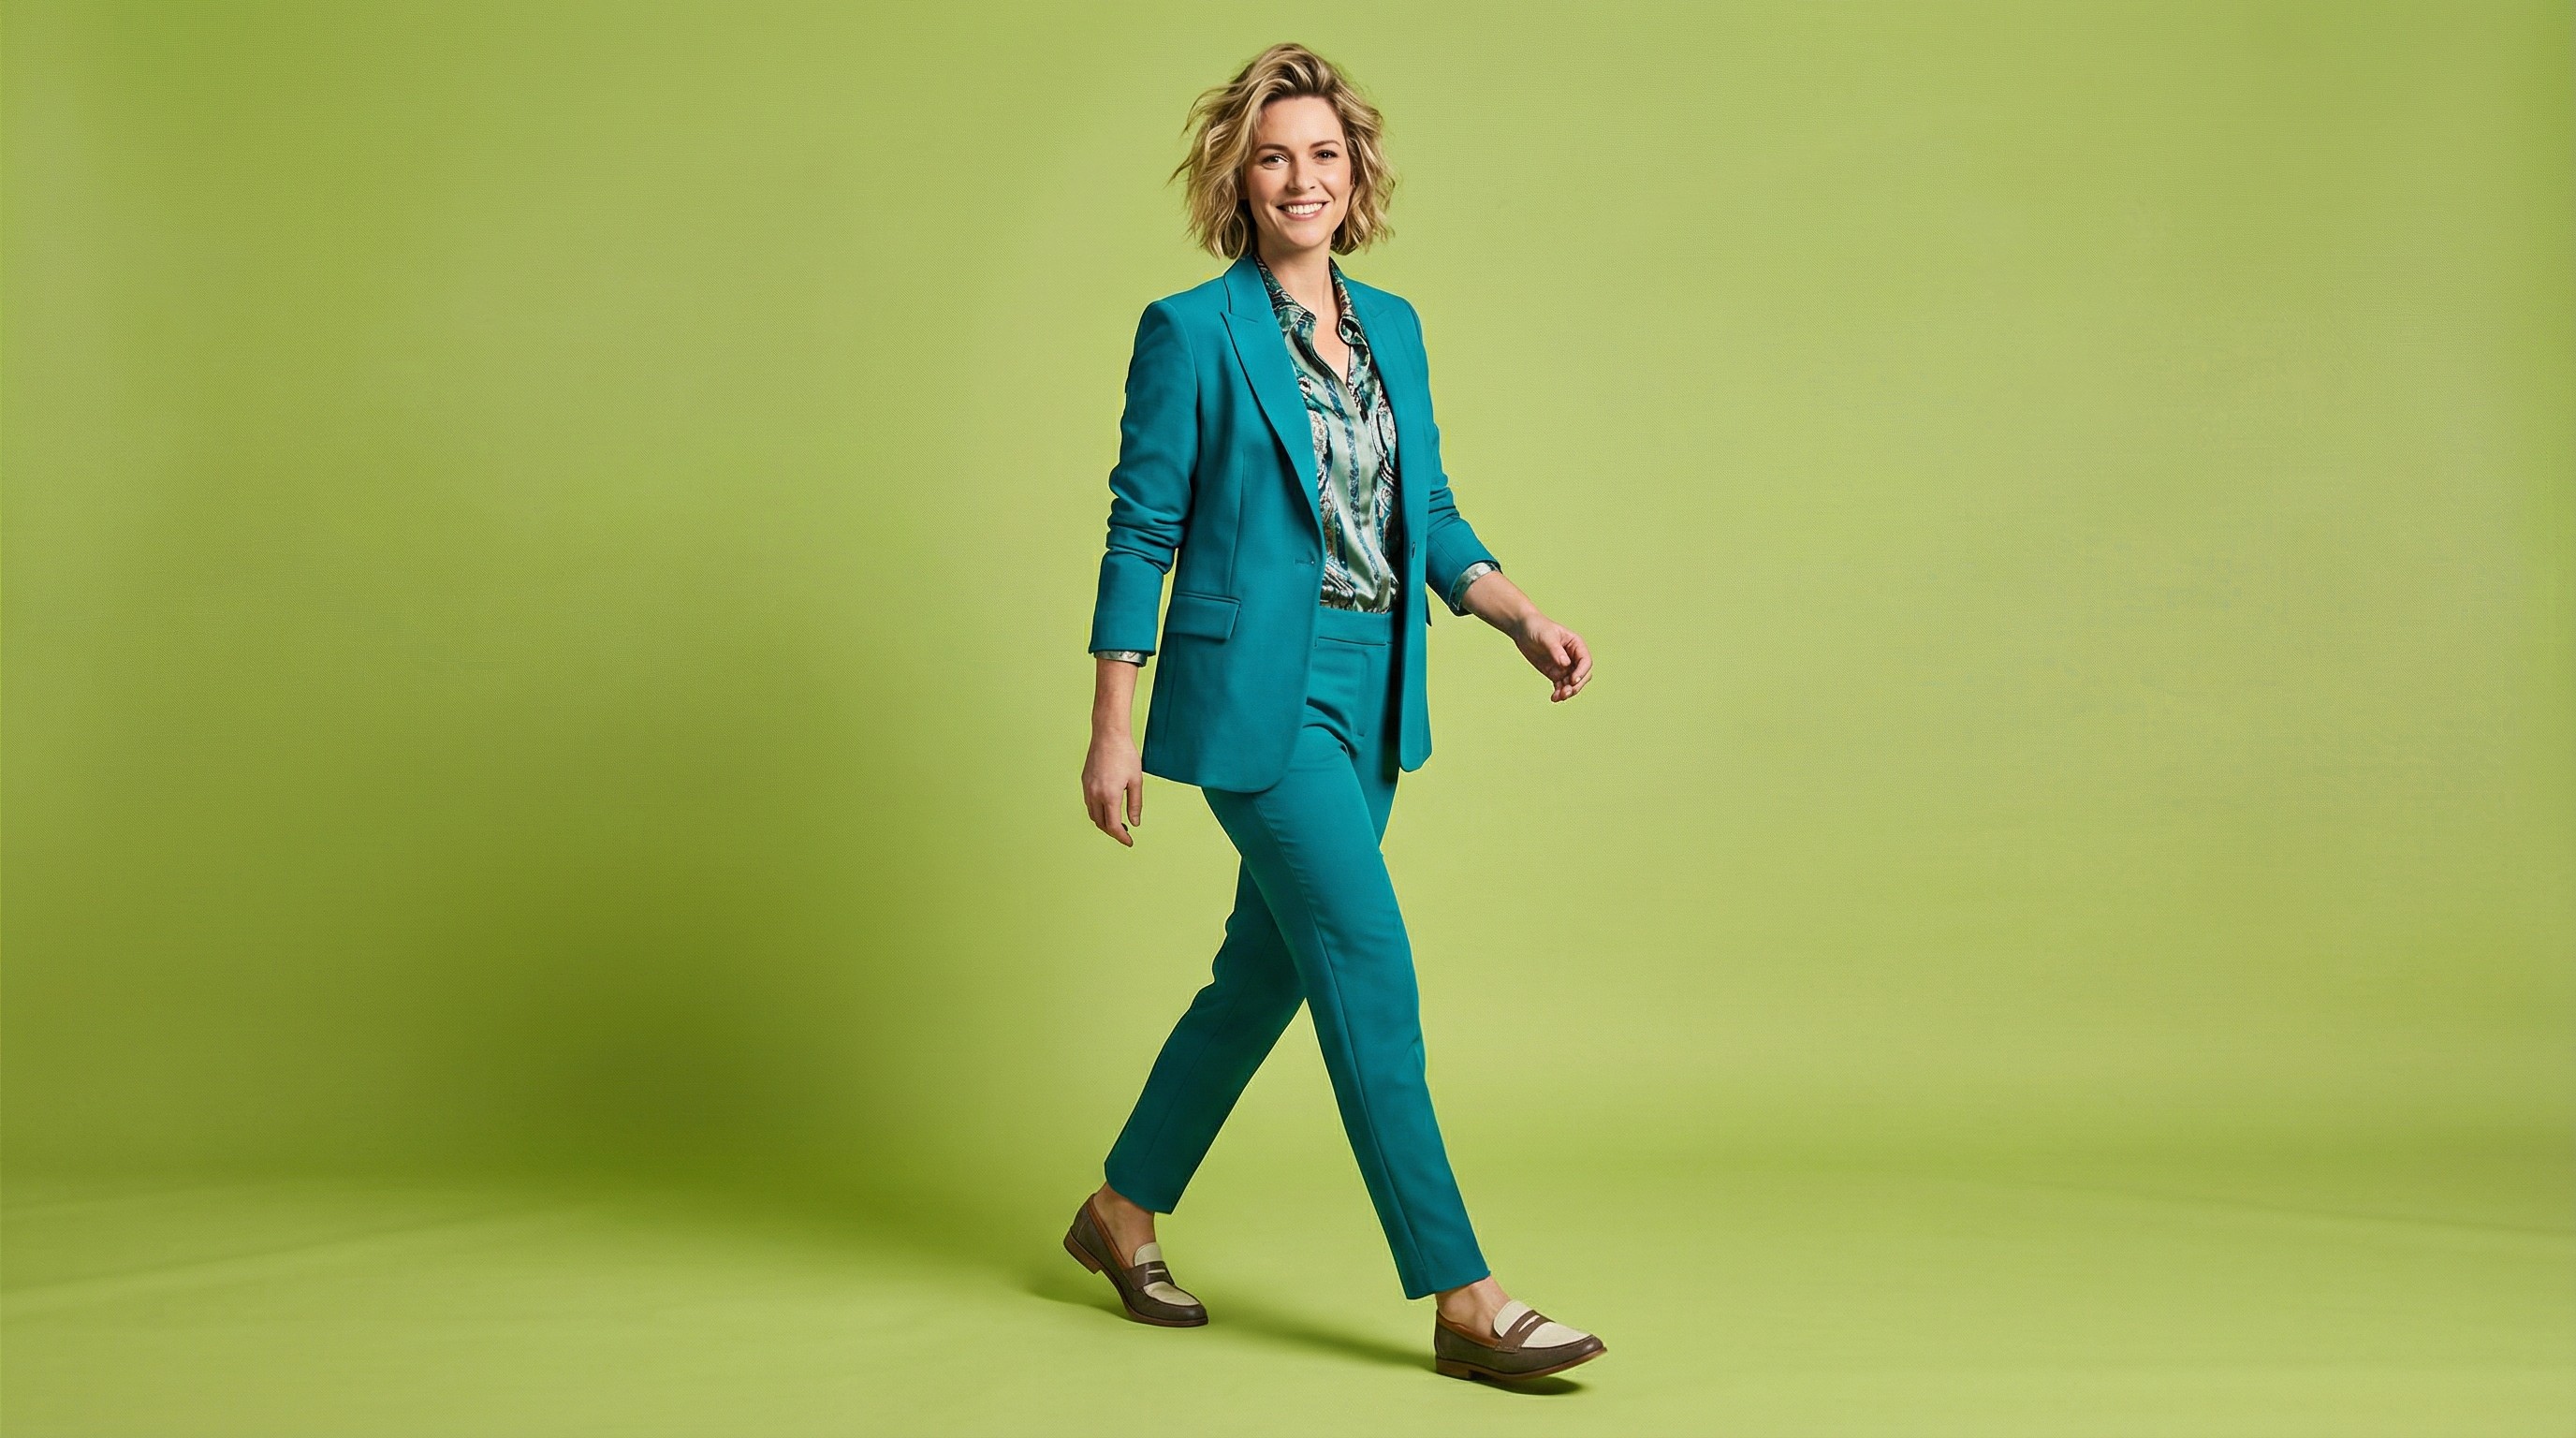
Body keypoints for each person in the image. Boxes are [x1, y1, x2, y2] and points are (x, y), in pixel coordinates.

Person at [1067, 41, 1604, 1385]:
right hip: (1259, 696)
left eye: (1323, 153)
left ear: (1355, 171)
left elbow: (1419, 508)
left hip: (1374, 694)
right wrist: (1113, 722)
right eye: (1273, 155)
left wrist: (1514, 608)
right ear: (1237, 180)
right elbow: (1142, 533)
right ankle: (1464, 1298)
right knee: (1366, 964)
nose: (1301, 177)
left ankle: (1119, 1211)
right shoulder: (1192, 332)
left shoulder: (1398, 329)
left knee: (1261, 978)